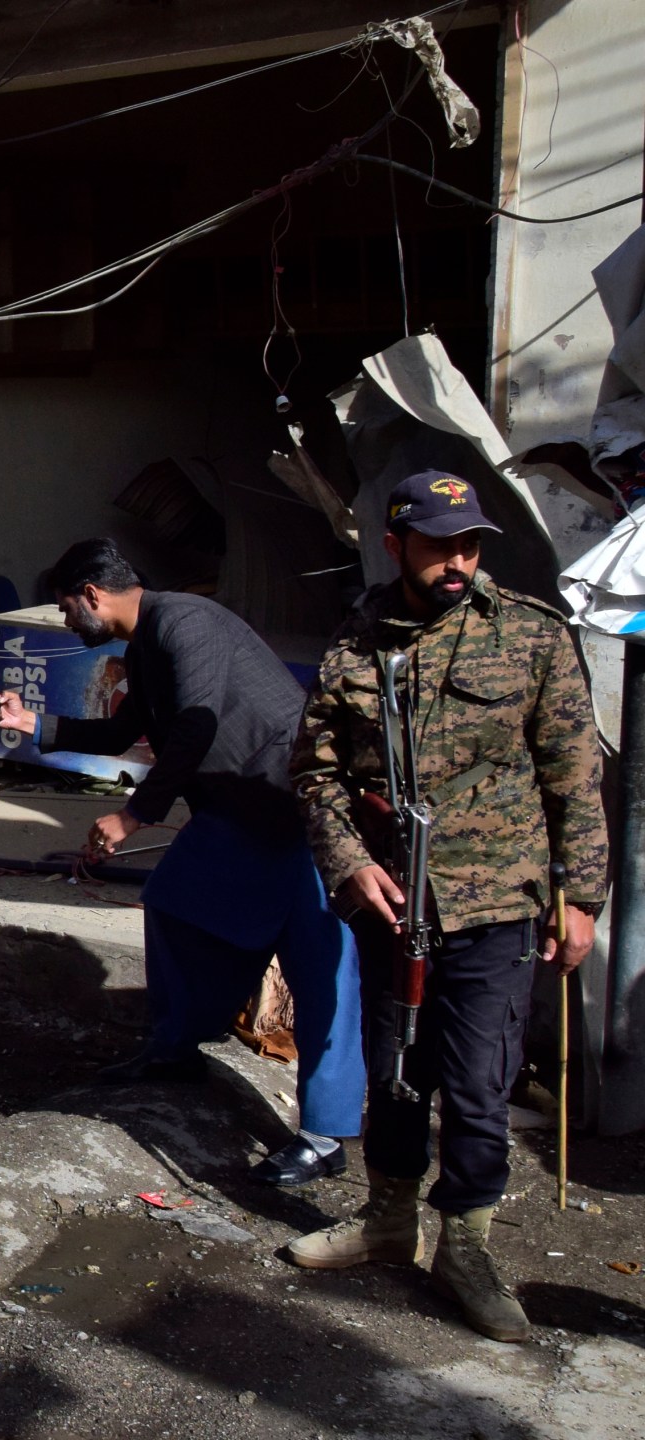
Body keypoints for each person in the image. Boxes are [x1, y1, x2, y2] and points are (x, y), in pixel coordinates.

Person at [284, 470, 605, 1342]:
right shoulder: (358, 643)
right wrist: (347, 863)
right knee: (395, 1075)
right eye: (438, 546)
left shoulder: (531, 637)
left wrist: (581, 899)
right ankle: (390, 1221)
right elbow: (314, 773)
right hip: (393, 907)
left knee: (475, 1086)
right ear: (396, 546)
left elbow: (575, 779)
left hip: (498, 904)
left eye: (468, 546)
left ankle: (466, 1247)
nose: (457, 562)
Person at [0, 539, 365, 1187]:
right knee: (176, 903)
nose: (67, 623)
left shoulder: (188, 623)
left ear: (93, 595)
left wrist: (133, 816)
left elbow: (195, 726)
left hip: (297, 808)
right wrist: (29, 721)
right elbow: (117, 731)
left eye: (68, 610)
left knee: (320, 962)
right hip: (236, 809)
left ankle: (326, 1135)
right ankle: (177, 1047)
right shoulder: (147, 644)